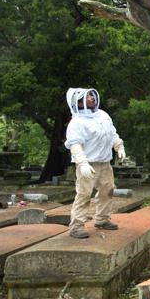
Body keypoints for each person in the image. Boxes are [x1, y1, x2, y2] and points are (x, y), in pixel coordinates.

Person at [64, 88, 126, 239]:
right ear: (78, 103)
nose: (92, 98)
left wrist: (119, 147)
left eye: (92, 95)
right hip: (87, 164)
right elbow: (75, 145)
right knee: (84, 194)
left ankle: (102, 220)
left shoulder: (103, 115)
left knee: (108, 190)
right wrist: (83, 163)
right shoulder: (76, 122)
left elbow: (112, 133)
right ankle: (76, 227)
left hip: (105, 162)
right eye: (87, 97)